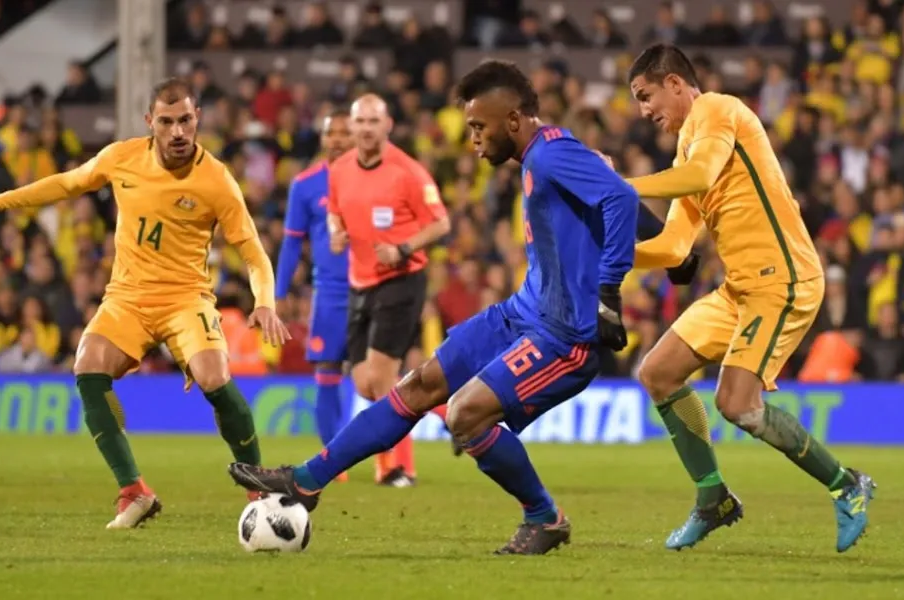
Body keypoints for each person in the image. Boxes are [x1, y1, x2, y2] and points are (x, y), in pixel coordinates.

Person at [227, 60, 638, 555]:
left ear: (512, 120)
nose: (474, 140)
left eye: (479, 127)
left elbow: (621, 199)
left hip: (564, 336)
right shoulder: (542, 155)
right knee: (419, 383)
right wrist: (681, 255)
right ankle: (307, 481)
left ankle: (545, 517)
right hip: (522, 312)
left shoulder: (550, 156)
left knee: (465, 416)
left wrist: (609, 291)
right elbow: (619, 196)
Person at [0, 78, 290, 529]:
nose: (178, 131)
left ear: (197, 117)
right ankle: (134, 491)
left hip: (186, 297)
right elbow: (67, 184)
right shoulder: (121, 156)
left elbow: (253, 250)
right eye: (167, 122)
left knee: (215, 377)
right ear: (150, 123)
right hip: (127, 296)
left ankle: (257, 486)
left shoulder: (216, 179)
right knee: (87, 367)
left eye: (185, 120)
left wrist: (265, 301)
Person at [623, 44, 874, 552]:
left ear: (675, 83)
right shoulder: (685, 150)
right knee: (657, 371)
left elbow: (699, 177)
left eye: (646, 96)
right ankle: (712, 498)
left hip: (783, 279)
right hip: (739, 287)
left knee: (736, 403)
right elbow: (673, 247)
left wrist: (618, 186)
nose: (644, 111)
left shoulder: (719, 109)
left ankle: (847, 484)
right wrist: (612, 256)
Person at [326, 94, 451, 487]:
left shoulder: (407, 172)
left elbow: (441, 224)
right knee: (364, 383)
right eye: (359, 122)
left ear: (388, 125)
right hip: (359, 281)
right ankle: (449, 409)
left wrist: (403, 248)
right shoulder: (340, 168)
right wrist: (335, 233)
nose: (365, 129)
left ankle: (397, 468)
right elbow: (334, 209)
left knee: (382, 379)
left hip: (401, 279)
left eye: (372, 121)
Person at [275, 108, 354, 476]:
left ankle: (394, 466)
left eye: (344, 131)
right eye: (331, 132)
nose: (337, 138)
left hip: (374, 288)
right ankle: (333, 461)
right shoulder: (305, 185)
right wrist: (279, 291)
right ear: (323, 139)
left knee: (381, 374)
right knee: (327, 368)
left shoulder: (373, 179)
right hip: (330, 292)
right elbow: (292, 244)